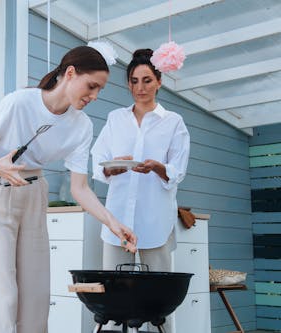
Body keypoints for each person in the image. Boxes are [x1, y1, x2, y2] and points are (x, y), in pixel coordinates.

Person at [0, 45, 137, 333]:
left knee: (35, 291)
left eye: (99, 90)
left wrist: (114, 223)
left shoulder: (82, 126)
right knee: (0, 291)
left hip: (35, 194)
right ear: (70, 73)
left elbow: (80, 188)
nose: (94, 96)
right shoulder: (19, 102)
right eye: (91, 86)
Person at [91, 48, 190, 331]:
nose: (140, 87)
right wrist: (113, 167)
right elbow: (99, 164)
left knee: (160, 299)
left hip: (154, 220)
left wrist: (158, 167)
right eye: (134, 81)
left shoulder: (174, 122)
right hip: (117, 220)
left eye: (146, 80)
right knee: (111, 296)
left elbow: (177, 170)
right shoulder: (115, 119)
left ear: (159, 81)